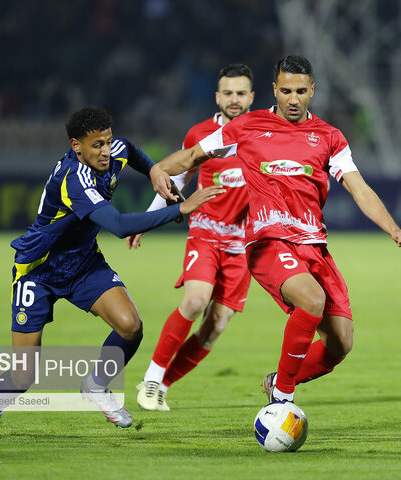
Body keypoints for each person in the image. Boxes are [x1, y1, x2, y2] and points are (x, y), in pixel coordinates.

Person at [149, 55, 401, 405]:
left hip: (314, 246)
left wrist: (394, 229)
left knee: (340, 344)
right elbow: (190, 157)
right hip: (268, 241)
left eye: (301, 91)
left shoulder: (329, 137)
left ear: (312, 91)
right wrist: (158, 168)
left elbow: (358, 187)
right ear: (275, 90)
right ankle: (283, 399)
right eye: (287, 91)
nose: (293, 100)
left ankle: (277, 380)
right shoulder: (246, 126)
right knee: (311, 299)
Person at [0, 106, 223, 439]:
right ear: (76, 146)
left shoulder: (114, 150)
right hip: (39, 269)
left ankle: (96, 385)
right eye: (96, 145)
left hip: (84, 262)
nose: (105, 151)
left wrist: (154, 171)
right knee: (23, 374)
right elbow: (117, 225)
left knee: (131, 327)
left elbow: (128, 149)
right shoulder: (73, 179)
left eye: (107, 141)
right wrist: (180, 208)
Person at [129, 64, 255, 411]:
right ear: (217, 97)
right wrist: (147, 220)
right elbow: (178, 181)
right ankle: (153, 375)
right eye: (227, 93)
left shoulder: (263, 134)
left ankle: (161, 386)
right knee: (197, 299)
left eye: (240, 93)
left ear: (252, 97)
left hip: (243, 245)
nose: (234, 99)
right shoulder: (201, 133)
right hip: (206, 232)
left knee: (214, 327)